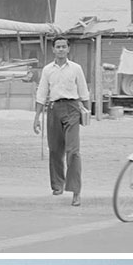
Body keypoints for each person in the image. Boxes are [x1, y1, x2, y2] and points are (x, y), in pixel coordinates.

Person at [33, 37, 90, 206]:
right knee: (55, 150)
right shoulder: (47, 70)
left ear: (68, 49)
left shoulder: (76, 68)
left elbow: (84, 92)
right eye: (57, 47)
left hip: (72, 109)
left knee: (73, 151)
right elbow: (42, 93)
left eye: (63, 47)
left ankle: (75, 191)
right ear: (53, 49)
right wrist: (36, 117)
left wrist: (87, 113)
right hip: (53, 109)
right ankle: (58, 184)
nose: (60, 49)